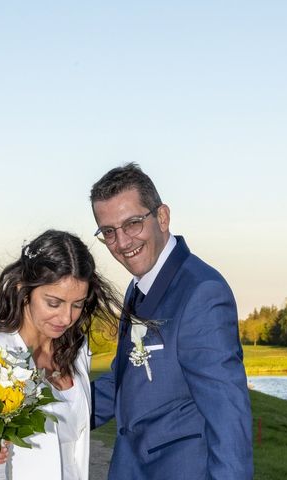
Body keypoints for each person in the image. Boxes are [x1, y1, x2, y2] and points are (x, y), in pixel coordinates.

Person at [89, 163, 254, 479]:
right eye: (109, 232)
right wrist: (42, 408)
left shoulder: (201, 292)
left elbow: (227, 415)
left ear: (162, 217)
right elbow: (124, 382)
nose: (122, 243)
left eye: (133, 223)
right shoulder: (138, 286)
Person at [0, 229, 121, 480]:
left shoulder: (76, 351)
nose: (67, 318)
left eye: (77, 304)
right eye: (54, 303)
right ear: (24, 290)